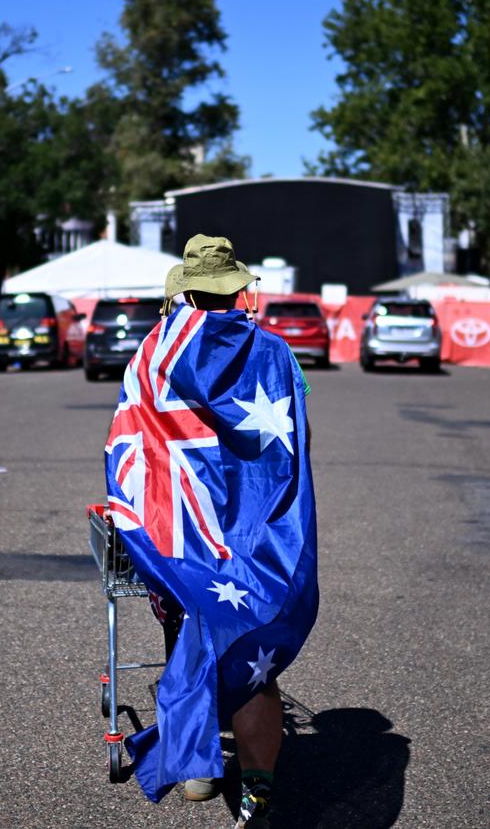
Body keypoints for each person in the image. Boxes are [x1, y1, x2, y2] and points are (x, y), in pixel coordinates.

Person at [105, 235, 318, 828]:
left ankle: (197, 761)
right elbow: (294, 419)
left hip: (180, 539)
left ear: (184, 292)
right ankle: (255, 791)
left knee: (189, 623)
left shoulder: (154, 355)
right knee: (255, 659)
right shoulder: (275, 353)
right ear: (236, 290)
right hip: (256, 540)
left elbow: (130, 442)